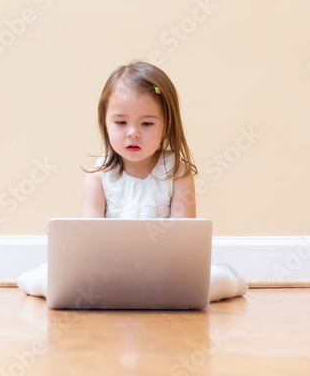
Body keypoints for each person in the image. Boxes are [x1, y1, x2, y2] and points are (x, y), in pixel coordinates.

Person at [16, 61, 247, 302]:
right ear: (104, 124)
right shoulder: (97, 176)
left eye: (147, 123)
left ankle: (225, 277)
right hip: (108, 274)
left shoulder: (177, 172)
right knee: (52, 277)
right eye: (121, 122)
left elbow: (183, 241)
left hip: (165, 274)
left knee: (213, 281)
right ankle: (33, 279)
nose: (133, 132)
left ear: (166, 125)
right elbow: (90, 243)